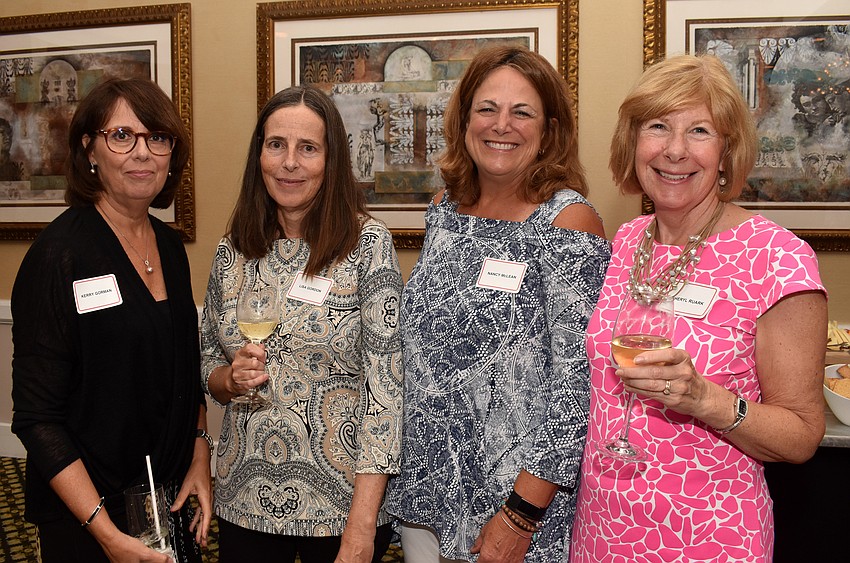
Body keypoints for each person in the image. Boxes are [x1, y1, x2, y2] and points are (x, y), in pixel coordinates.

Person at [570, 54, 827, 562]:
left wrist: (702, 399)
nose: (674, 150)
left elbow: (800, 436)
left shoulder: (776, 257)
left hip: (708, 533)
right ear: (634, 142)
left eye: (700, 131)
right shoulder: (625, 242)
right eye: (658, 126)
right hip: (603, 524)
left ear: (727, 150)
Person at [385, 45, 611, 562]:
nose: (501, 125)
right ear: (464, 119)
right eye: (487, 108)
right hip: (429, 490)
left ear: (550, 129)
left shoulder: (567, 222)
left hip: (512, 506)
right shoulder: (444, 208)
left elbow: (576, 387)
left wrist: (520, 514)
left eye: (522, 112)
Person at [11, 77, 212, 563]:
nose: (142, 153)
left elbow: (186, 369)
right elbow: (38, 418)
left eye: (157, 138)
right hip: (88, 516)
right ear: (89, 150)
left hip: (165, 499)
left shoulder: (169, 247)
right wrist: (106, 534)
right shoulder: (58, 256)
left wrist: (200, 457)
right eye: (122, 136)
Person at [201, 85, 403, 563]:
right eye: (276, 145)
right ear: (260, 155)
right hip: (241, 499)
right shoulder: (234, 248)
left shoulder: (367, 246)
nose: (289, 162)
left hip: (339, 508)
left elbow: (386, 392)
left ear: (331, 162)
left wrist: (362, 525)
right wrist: (228, 379)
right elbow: (208, 354)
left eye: (307, 148)